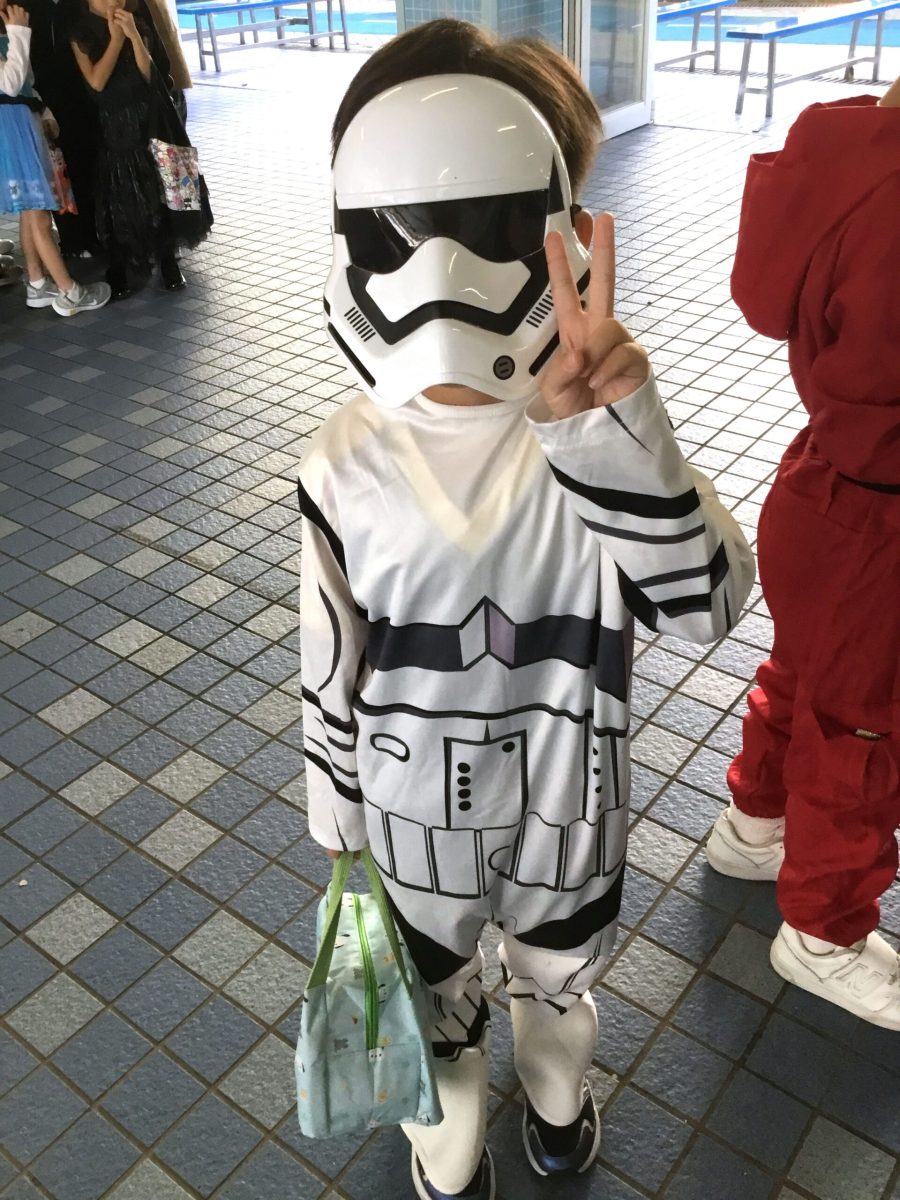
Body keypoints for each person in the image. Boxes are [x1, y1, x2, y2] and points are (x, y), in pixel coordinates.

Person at [299, 20, 755, 1199]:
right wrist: (337, 806)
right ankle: (468, 1136)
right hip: (431, 808)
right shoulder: (343, 458)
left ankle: (542, 1107)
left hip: (559, 798)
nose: (449, 269)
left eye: (500, 225)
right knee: (447, 990)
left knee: (553, 983)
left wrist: (613, 427)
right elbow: (333, 655)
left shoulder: (592, 433)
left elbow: (707, 606)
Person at [706, 79, 900, 1030]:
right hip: (882, 526)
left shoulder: (843, 156)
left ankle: (754, 826)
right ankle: (821, 934)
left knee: (804, 676)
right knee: (863, 733)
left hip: (821, 483)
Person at [61, 0, 211, 298]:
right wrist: (117, 39)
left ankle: (168, 258)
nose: (115, 2)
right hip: (114, 126)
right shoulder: (80, 32)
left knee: (163, 190)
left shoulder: (135, 20)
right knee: (121, 197)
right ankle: (120, 263)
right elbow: (96, 84)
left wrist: (133, 35)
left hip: (150, 121)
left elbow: (150, 76)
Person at [0, 1, 111, 314]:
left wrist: (44, 111)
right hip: (12, 132)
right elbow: (9, 84)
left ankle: (37, 283)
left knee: (30, 209)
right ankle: (69, 291)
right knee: (38, 212)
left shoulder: (7, 34)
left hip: (24, 125)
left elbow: (26, 83)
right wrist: (19, 32)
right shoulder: (14, 32)